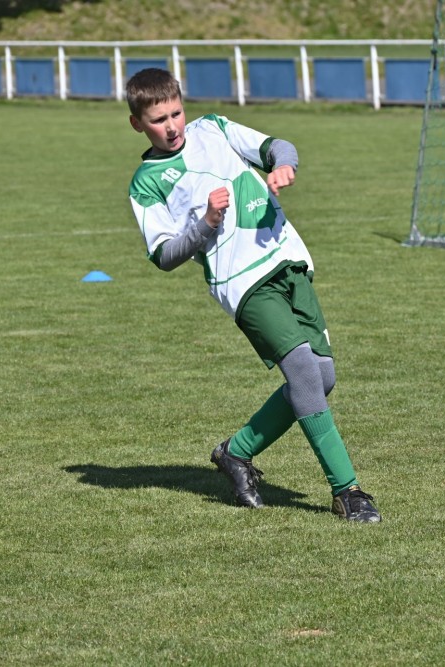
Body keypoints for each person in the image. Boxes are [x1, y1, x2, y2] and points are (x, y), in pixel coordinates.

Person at [125, 68, 380, 522]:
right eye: (159, 120)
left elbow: (277, 147)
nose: (172, 126)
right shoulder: (146, 182)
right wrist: (205, 223)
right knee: (303, 373)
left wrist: (284, 165)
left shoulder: (214, 129)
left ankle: (236, 452)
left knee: (322, 377)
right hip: (242, 282)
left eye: (176, 113)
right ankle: (348, 491)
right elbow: (164, 255)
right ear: (137, 124)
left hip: (288, 259)